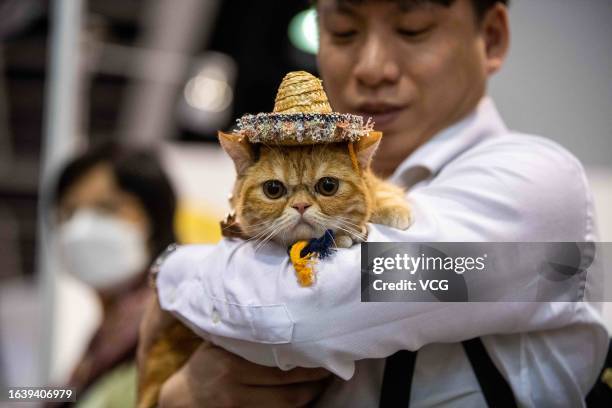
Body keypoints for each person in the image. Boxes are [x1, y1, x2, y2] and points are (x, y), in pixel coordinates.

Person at [139, 0, 608, 406]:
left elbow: (303, 308)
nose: (372, 66)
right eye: (343, 32)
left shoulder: (537, 183)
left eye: (412, 29)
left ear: (491, 36)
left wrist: (173, 275)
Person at [51, 142, 177, 407]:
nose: (81, 227)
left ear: (153, 216)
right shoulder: (107, 337)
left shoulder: (174, 318)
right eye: (69, 212)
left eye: (106, 208)